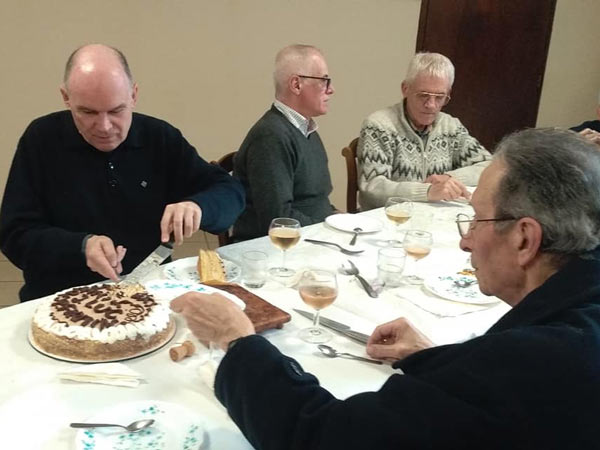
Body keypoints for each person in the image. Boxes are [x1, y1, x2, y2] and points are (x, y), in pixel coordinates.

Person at [171, 128, 600, 449]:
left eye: (476, 219)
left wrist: (237, 341)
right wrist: (432, 358)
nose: (465, 241)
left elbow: (323, 435)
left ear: (525, 239)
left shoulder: (538, 362)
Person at [0, 44, 244, 302]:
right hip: (59, 295)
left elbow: (230, 191)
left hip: (148, 292)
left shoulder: (159, 137)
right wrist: (80, 247)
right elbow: (14, 234)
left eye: (116, 110)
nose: (104, 127)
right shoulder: (41, 139)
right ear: (66, 97)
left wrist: (198, 206)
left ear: (134, 95)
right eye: (87, 112)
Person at [357, 52, 491, 209]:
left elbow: (490, 167)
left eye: (439, 97)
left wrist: (449, 178)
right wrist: (426, 191)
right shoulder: (379, 126)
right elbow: (372, 188)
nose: (431, 105)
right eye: (423, 95)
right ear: (405, 89)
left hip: (435, 216)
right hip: (390, 217)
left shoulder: (450, 126)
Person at [232, 44, 336, 241]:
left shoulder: (306, 130)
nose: (331, 90)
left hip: (312, 238)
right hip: (275, 249)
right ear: (296, 85)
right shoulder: (270, 137)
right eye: (324, 80)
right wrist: (330, 229)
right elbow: (278, 221)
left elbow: (315, 199)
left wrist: (338, 219)